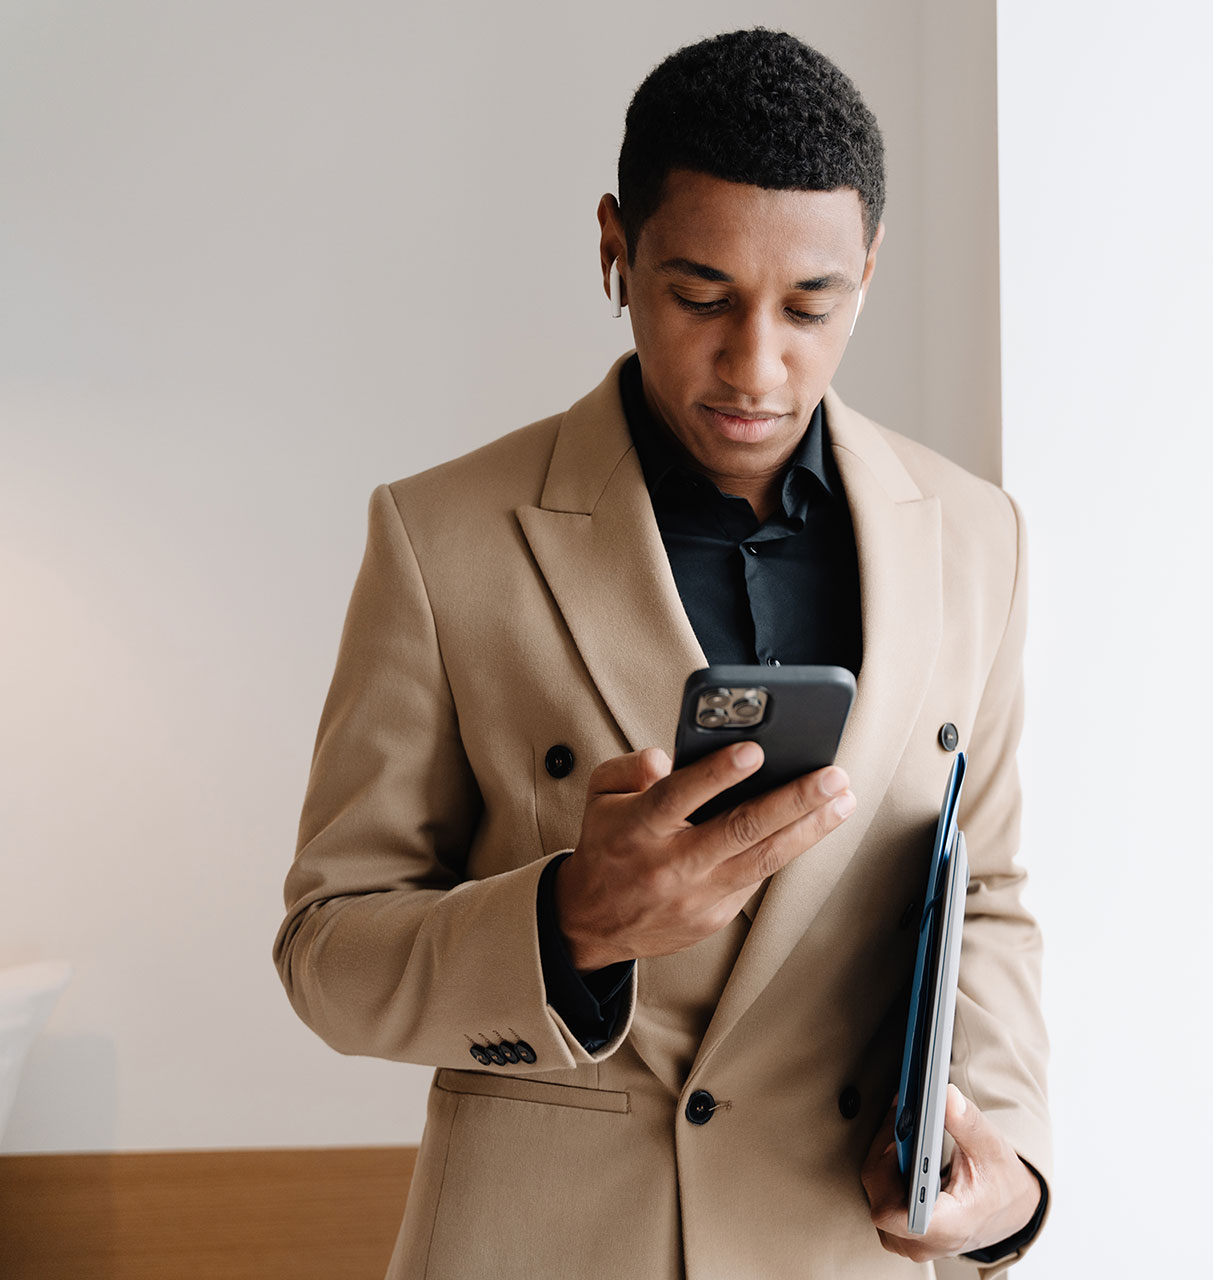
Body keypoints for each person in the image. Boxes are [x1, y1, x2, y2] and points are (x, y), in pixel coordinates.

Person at [272, 27, 1050, 1279]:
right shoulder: (441, 536)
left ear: (870, 266)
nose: (755, 364)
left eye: (812, 304)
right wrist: (569, 922)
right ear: (613, 249)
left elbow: (990, 896)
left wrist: (1000, 1169)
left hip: (839, 1243)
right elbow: (325, 949)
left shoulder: (976, 536)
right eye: (700, 296)